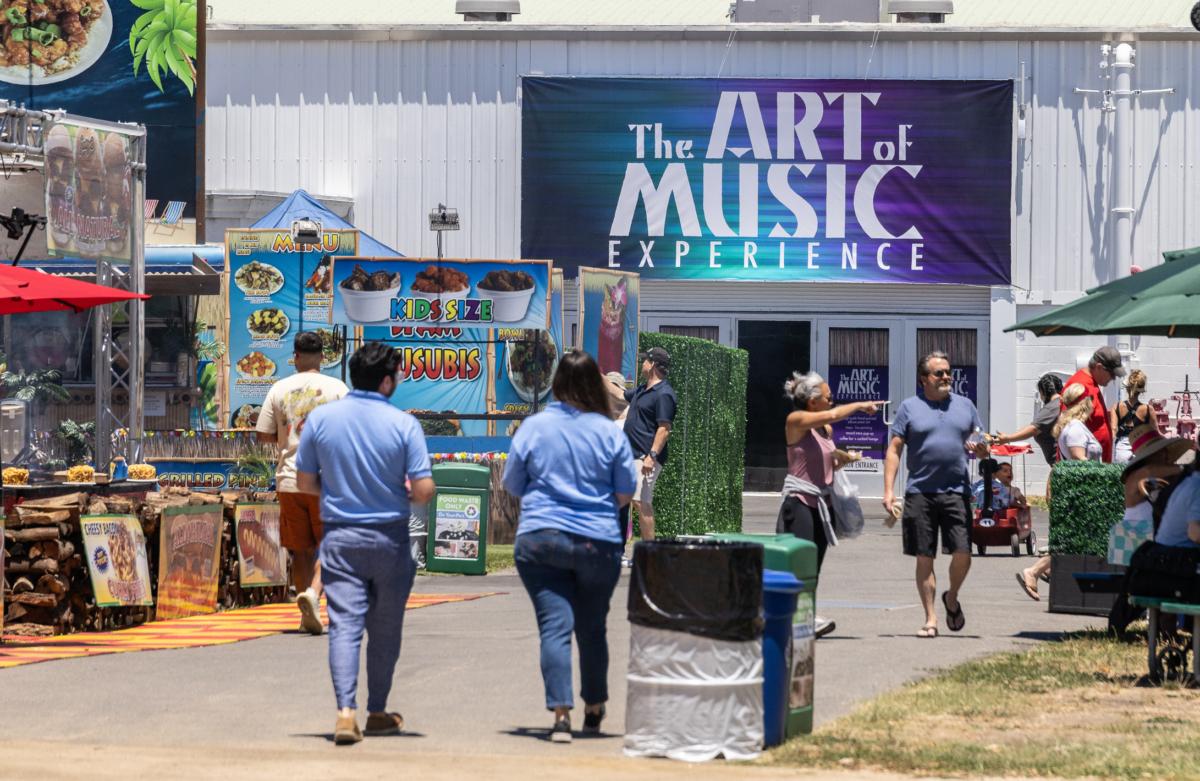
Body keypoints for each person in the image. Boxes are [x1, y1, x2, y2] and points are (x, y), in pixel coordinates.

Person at [294, 342, 434, 745]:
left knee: (345, 626)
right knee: (386, 629)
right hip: (389, 537)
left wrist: (340, 492)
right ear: (387, 380)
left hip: (340, 536)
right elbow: (423, 488)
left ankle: (344, 713)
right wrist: (403, 494)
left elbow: (305, 483)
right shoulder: (404, 424)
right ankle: (377, 711)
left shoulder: (321, 420)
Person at [502, 351, 638, 744]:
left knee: (554, 627)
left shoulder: (534, 427)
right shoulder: (609, 431)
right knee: (592, 627)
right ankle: (594, 708)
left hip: (540, 539)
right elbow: (625, 492)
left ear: (557, 384)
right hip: (597, 541)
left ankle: (561, 714)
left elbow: (513, 483)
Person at [883, 351, 988, 638]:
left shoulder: (966, 406)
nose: (945, 377)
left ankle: (951, 596)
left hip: (957, 491)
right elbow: (894, 450)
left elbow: (980, 442)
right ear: (923, 379)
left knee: (963, 553)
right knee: (924, 556)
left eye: (947, 371)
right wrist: (889, 491)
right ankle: (930, 618)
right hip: (920, 493)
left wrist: (982, 450)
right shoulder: (909, 408)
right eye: (938, 373)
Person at [256, 331, 349, 635]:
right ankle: (314, 595)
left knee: (301, 550)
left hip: (290, 480)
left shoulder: (279, 389)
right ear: (323, 357)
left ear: (294, 356)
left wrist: (288, 436)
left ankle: (305, 610)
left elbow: (264, 434)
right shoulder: (338, 388)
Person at [778, 370, 880, 639]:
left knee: (813, 566)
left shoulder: (825, 430)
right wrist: (859, 405)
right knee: (797, 564)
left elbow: (827, 460)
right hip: (799, 502)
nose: (832, 401)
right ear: (813, 401)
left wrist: (843, 460)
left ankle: (805, 619)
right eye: (828, 397)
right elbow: (833, 414)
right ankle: (790, 618)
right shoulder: (796, 420)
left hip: (820, 503)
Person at [1015, 383, 1102, 598]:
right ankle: (1035, 570)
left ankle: (1048, 570)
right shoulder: (1074, 430)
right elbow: (1079, 462)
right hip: (1081, 494)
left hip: (1081, 493)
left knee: (1076, 542)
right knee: (1074, 541)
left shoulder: (1073, 427)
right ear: (1085, 404)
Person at [612, 346, 677, 543]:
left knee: (642, 502)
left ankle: (651, 554)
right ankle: (617, 546)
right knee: (624, 498)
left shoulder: (664, 394)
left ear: (654, 365)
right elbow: (619, 394)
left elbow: (664, 429)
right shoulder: (643, 389)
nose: (642, 363)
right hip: (631, 456)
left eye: (645, 360)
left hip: (645, 457)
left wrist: (652, 456)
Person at [1063, 346, 1125, 463]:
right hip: (1085, 470)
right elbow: (1067, 427)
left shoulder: (1092, 383)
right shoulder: (1080, 386)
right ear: (1099, 367)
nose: (1113, 378)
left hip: (1096, 467)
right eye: (1112, 374)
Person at [991, 374, 1064, 466]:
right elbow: (1034, 425)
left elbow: (1033, 429)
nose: (1041, 398)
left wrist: (1008, 438)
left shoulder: (1052, 407)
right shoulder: (1060, 405)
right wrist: (1009, 436)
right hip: (1061, 464)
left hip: (1061, 465)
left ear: (1043, 392)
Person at [1111, 370, 1150, 465]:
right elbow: (1154, 433)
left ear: (1127, 388)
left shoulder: (1116, 407)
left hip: (1122, 448)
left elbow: (1114, 429)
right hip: (1140, 447)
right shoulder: (1148, 409)